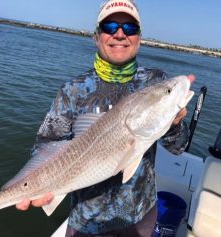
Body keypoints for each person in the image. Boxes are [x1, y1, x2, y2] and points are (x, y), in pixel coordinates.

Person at [16, 0, 190, 236]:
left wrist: (175, 124)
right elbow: (45, 145)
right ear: (96, 36)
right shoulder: (73, 90)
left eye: (129, 28)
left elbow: (179, 147)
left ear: (139, 38)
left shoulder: (156, 82)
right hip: (86, 221)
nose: (120, 34)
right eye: (110, 26)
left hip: (140, 215)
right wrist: (38, 184)